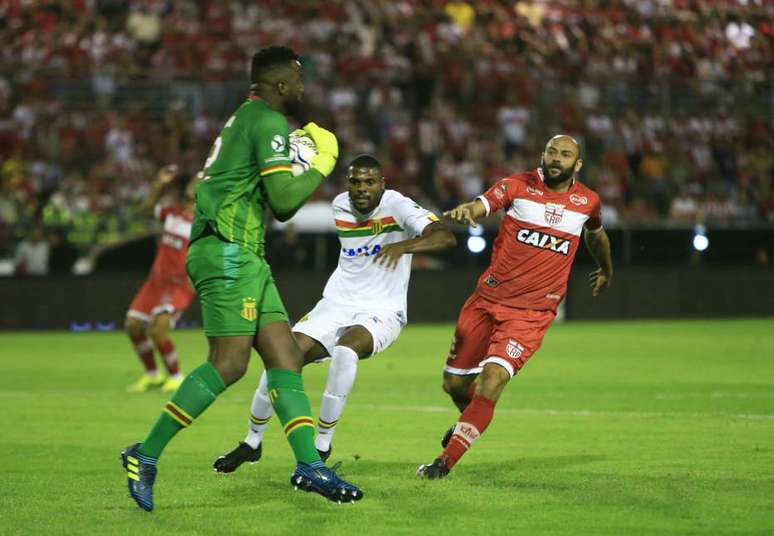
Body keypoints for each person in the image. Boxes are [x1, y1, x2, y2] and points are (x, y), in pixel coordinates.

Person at [121, 46, 362, 511]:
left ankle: (309, 466)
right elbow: (286, 202)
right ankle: (144, 454)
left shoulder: (248, 120)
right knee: (230, 363)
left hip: (245, 254)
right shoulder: (267, 121)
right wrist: (320, 164)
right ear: (279, 84)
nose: (302, 88)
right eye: (297, 80)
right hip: (227, 252)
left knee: (285, 358)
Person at [213, 154, 456, 473]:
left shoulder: (397, 205)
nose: (362, 189)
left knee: (345, 352)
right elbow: (293, 216)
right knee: (281, 359)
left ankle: (321, 446)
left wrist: (405, 246)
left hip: (382, 308)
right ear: (347, 185)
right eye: (355, 182)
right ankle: (252, 442)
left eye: (370, 182)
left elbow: (445, 237)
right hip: (336, 303)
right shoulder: (339, 205)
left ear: (382, 184)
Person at [417, 135, 614, 479]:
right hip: (486, 303)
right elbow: (484, 204)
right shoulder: (517, 186)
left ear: (577, 164)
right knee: (455, 385)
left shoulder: (588, 202)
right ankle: (468, 423)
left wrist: (607, 269)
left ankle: (443, 463)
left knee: (492, 380)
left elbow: (595, 235)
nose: (556, 159)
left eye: (565, 155)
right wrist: (469, 210)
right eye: (551, 151)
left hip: (531, 315)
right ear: (542, 154)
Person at [123, 164, 196, 394]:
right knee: (133, 326)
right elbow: (145, 212)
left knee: (158, 331)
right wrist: (159, 184)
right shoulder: (172, 212)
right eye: (195, 180)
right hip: (155, 282)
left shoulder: (205, 221)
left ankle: (176, 375)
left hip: (179, 284)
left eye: (201, 181)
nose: (196, 183)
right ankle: (153, 375)